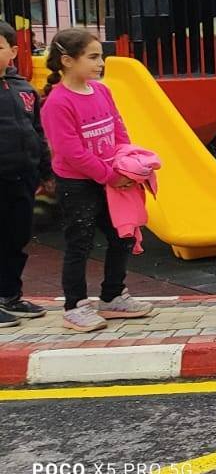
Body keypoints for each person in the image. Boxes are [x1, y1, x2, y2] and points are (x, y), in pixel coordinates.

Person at [38, 28, 154, 332]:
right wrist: (111, 176)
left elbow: (119, 129)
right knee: (80, 242)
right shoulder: (57, 103)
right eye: (92, 57)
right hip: (78, 185)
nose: (100, 63)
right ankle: (74, 306)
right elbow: (71, 152)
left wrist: (126, 164)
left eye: (100, 56)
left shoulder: (102, 91)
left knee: (123, 236)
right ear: (66, 60)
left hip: (111, 177)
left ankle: (113, 296)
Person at [0, 23, 48, 326]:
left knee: (15, 238)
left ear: (13, 51)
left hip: (23, 177)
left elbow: (37, 132)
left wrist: (45, 170)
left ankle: (9, 294)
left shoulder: (24, 89)